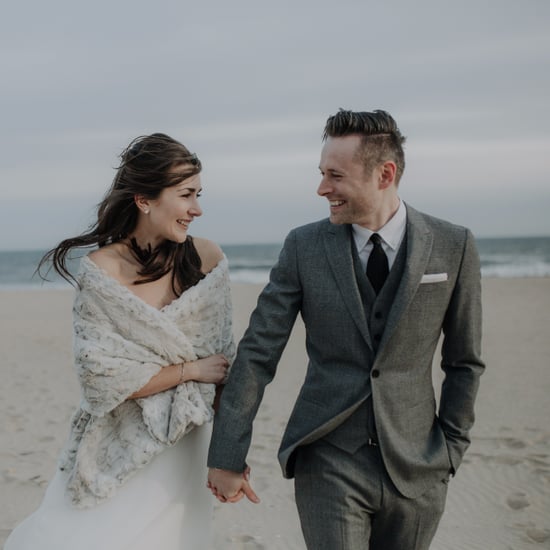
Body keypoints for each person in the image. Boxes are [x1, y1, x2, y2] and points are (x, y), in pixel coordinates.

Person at [207, 109, 485, 549]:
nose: (322, 189)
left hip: (419, 465)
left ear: (385, 174)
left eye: (334, 176)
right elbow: (259, 352)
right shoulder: (303, 247)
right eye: (321, 174)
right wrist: (227, 455)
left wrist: (451, 447)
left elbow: (464, 361)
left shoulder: (454, 245)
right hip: (328, 456)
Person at [5, 133, 235, 550]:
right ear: (144, 199)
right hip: (118, 443)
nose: (197, 209)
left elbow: (226, 370)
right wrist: (190, 370)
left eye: (199, 195)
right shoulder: (101, 270)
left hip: (189, 445)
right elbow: (100, 381)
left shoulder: (208, 259)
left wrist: (231, 456)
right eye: (186, 195)